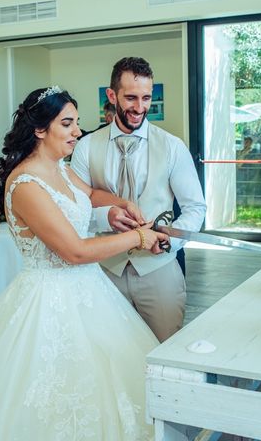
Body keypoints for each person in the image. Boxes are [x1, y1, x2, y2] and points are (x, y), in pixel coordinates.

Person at [0, 87, 169, 440]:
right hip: (49, 296)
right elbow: (74, 252)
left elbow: (88, 194)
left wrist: (120, 205)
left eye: (77, 123)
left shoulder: (61, 168)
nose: (77, 132)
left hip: (90, 291)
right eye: (67, 124)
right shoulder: (25, 183)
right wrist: (140, 238)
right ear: (40, 129)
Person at [71, 57, 206, 342]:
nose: (140, 108)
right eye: (131, 98)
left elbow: (195, 207)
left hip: (159, 271)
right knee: (107, 352)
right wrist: (103, 216)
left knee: (165, 350)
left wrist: (172, 241)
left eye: (146, 98)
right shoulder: (85, 147)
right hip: (104, 270)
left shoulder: (172, 146)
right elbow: (75, 206)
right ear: (112, 95)